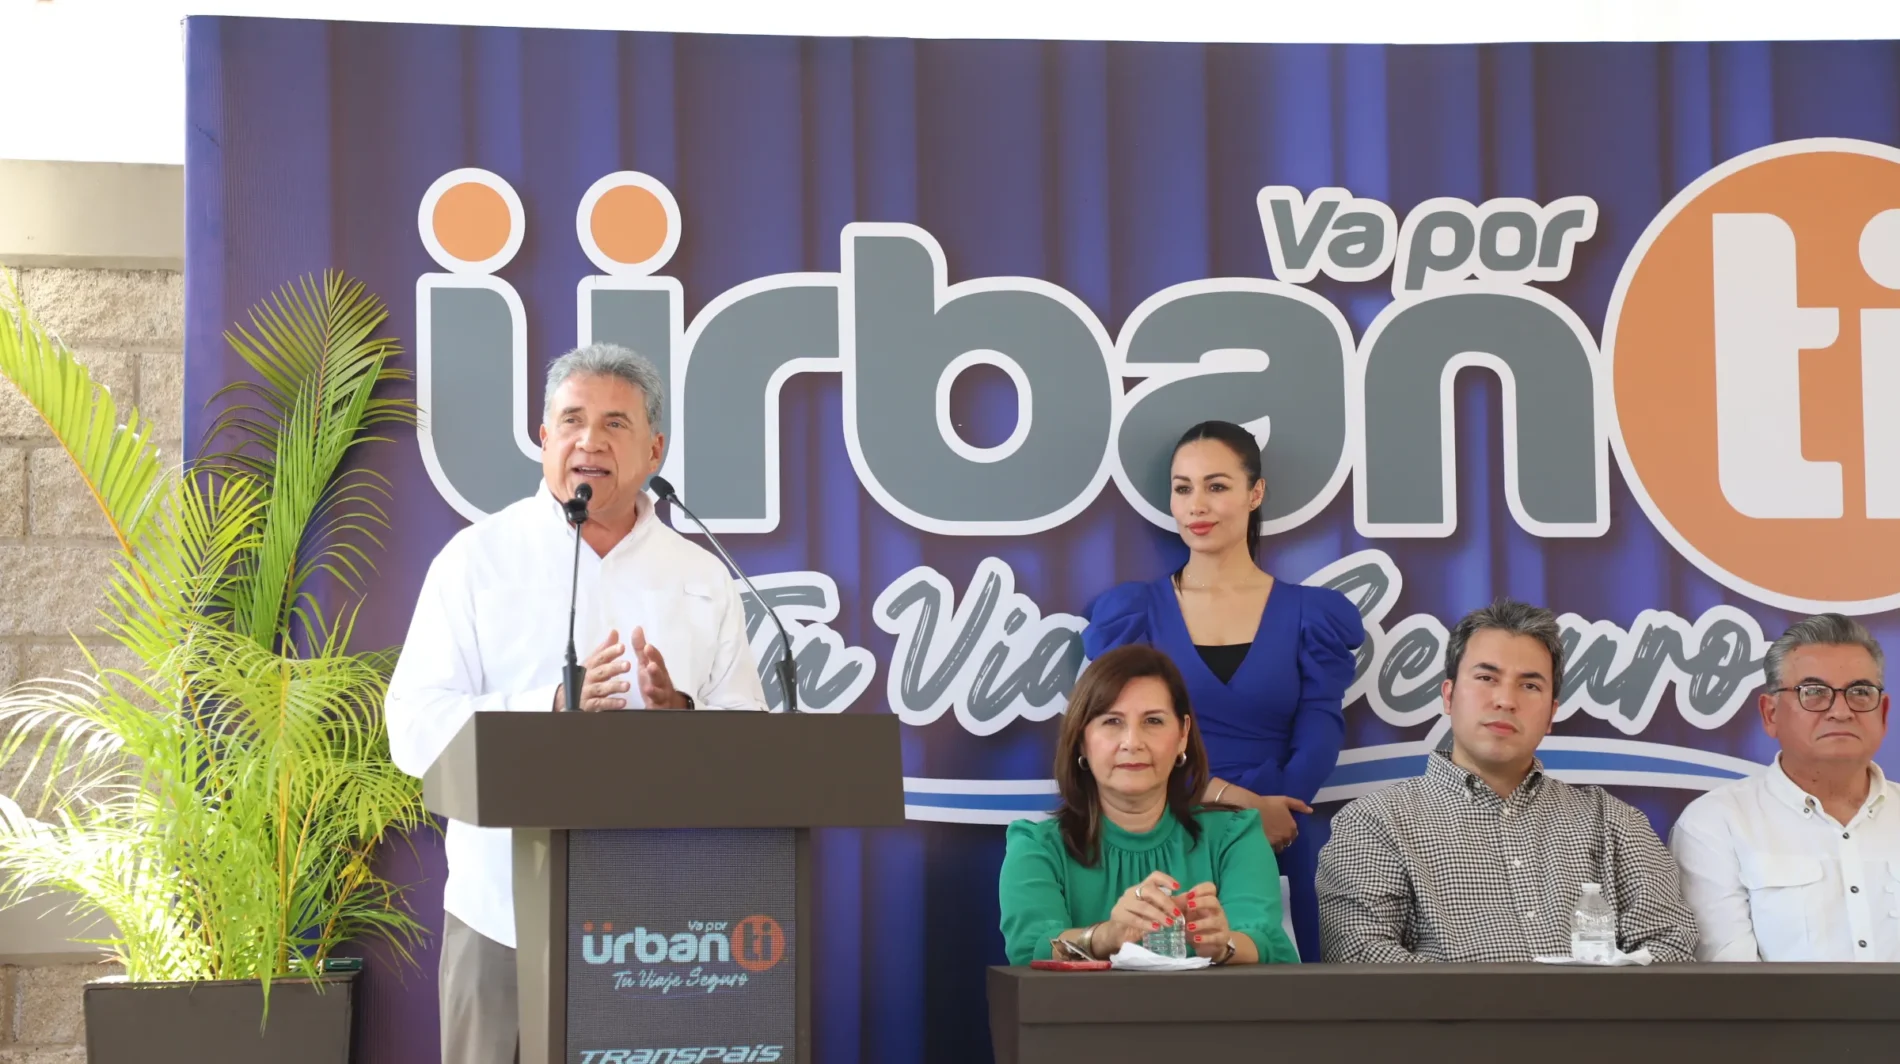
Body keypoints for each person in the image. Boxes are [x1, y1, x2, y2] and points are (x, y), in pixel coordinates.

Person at [386, 343, 768, 1064]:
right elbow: (412, 726)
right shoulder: (476, 561)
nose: (590, 441)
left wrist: (683, 719)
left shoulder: (701, 576)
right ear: (543, 438)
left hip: (666, 932)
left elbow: (751, 736)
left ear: (654, 450)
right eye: (571, 421)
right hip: (501, 918)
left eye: (615, 424)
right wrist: (550, 706)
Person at [1082, 420, 1363, 961]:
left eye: (1216, 486)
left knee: (1275, 997)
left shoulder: (1311, 615)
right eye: (1182, 488)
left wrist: (1271, 816)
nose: (1197, 505)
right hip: (1162, 831)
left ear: (1255, 493)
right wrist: (1241, 805)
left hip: (1279, 833)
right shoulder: (1132, 614)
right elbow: (1123, 738)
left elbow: (1320, 729)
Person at [1317, 599, 1698, 963]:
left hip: (1594, 1013)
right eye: (1486, 678)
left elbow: (1670, 944)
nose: (1505, 700)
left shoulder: (1613, 822)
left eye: (1529, 686)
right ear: (1449, 696)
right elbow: (1360, 955)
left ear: (1550, 714)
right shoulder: (1376, 822)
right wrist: (1492, 1004)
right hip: (1446, 1014)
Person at [998, 644, 1299, 967]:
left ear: (1182, 734)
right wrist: (1107, 936)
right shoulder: (1038, 847)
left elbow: (1268, 943)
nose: (1132, 742)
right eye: (1112, 721)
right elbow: (1029, 950)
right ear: (1082, 740)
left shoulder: (1235, 836)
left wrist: (1222, 944)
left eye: (1153, 721)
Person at [1671, 614, 1896, 961]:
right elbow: (1731, 981)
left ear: (1883, 713)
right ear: (1770, 714)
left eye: (1860, 693)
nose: (1841, 711)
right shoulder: (1716, 823)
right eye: (1814, 693)